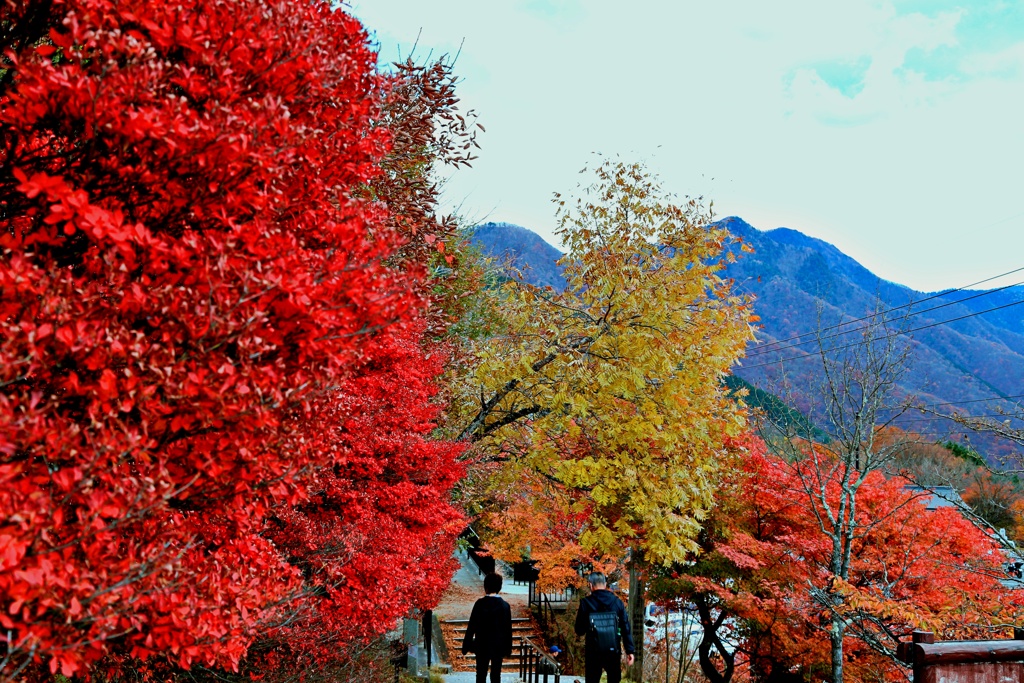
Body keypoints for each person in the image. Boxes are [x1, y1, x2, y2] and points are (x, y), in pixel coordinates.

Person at [574, 572, 635, 683]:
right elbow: (625, 627)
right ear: (605, 584)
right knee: (614, 679)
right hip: (613, 650)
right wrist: (629, 650)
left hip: (593, 651)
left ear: (590, 585)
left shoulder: (585, 603)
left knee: (592, 680)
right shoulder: (617, 602)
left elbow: (579, 630)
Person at [462, 572, 513, 683]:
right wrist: (508, 648)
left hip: (482, 644)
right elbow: (507, 630)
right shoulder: (505, 606)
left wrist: (467, 645)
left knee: (480, 674)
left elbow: (472, 626)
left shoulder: (479, 604)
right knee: (496, 674)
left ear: (486, 586)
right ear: (499, 587)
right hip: (498, 646)